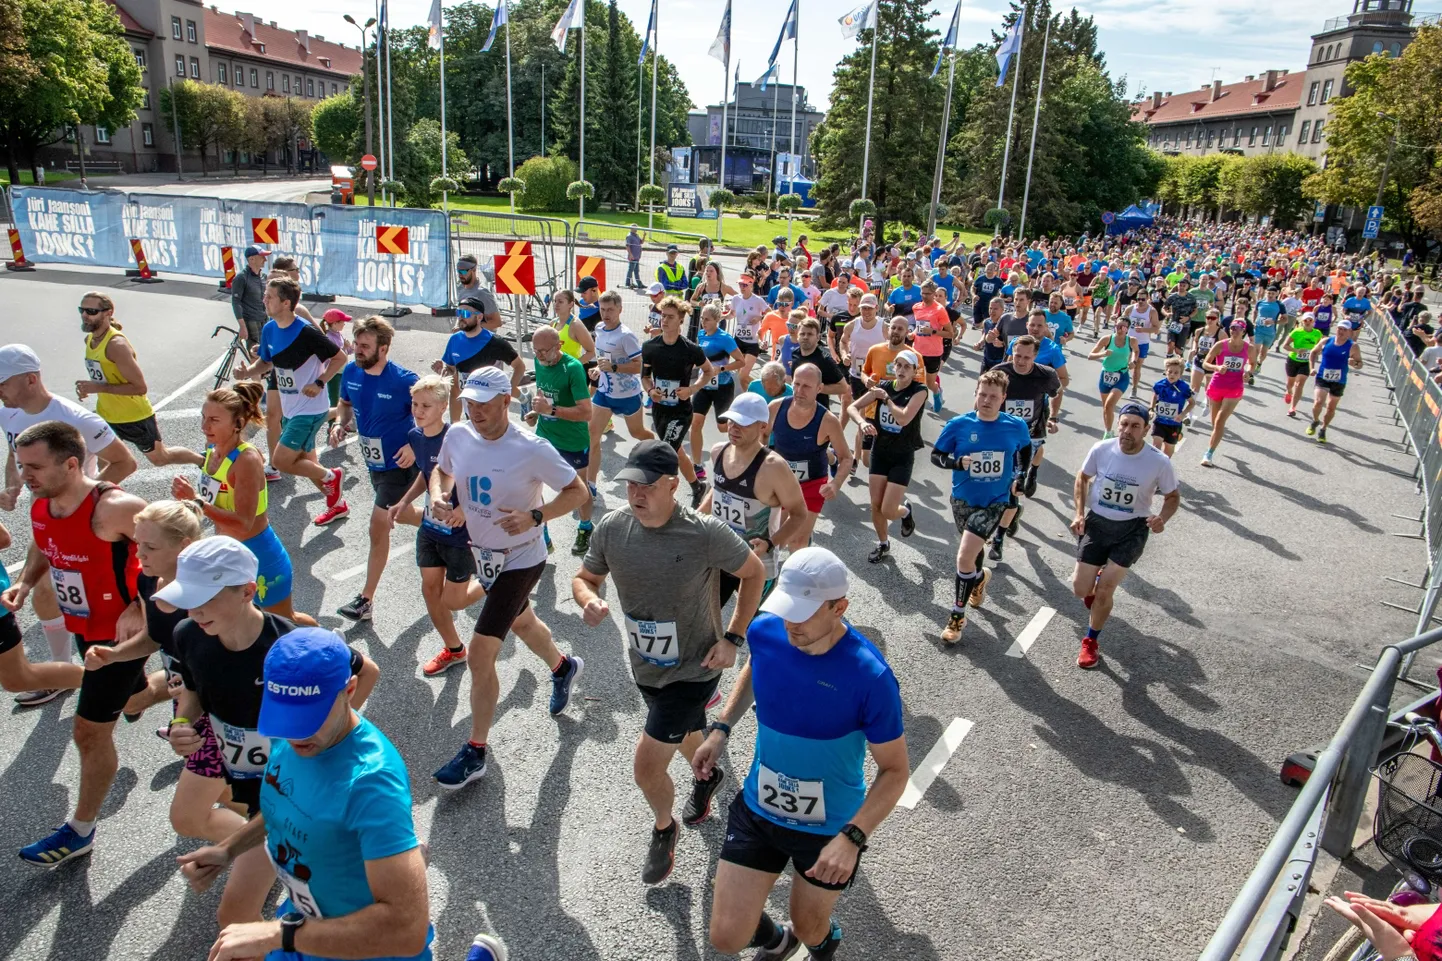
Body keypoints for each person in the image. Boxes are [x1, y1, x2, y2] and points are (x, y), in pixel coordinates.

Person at [694, 547, 908, 961]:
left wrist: (853, 837)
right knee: (725, 936)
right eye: (787, 608)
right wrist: (721, 729)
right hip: (760, 807)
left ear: (839, 607)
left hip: (828, 826)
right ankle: (777, 940)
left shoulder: (870, 677)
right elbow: (756, 669)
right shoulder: (767, 631)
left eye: (805, 612)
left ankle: (821, 944)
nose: (791, 622)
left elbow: (895, 771)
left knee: (810, 925)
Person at [571, 440, 765, 884]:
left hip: (695, 667)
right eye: (629, 485)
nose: (635, 494)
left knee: (646, 764)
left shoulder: (704, 532)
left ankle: (664, 827)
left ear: (673, 485)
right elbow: (585, 578)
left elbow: (755, 572)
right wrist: (588, 600)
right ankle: (708, 773)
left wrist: (734, 637)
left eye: (646, 486)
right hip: (646, 666)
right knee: (684, 732)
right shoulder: (612, 529)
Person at [176, 628, 433, 961]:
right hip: (305, 923)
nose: (298, 734)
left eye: (310, 716)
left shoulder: (371, 782)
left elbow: (405, 929)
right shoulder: (290, 734)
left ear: (349, 690)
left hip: (365, 946)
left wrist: (274, 933)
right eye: (288, 716)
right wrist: (229, 849)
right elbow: (286, 804)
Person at [162, 537, 380, 927]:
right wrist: (182, 721)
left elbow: (367, 671)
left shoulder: (293, 645)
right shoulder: (188, 633)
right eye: (188, 599)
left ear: (248, 591)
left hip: (286, 782)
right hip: (232, 763)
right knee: (185, 817)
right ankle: (276, 851)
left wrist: (325, 735)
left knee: (233, 918)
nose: (194, 610)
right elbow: (193, 688)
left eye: (205, 599)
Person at [427, 368, 591, 790]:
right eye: (470, 402)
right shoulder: (459, 435)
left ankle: (476, 752)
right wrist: (439, 494)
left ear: (506, 401)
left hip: (521, 556)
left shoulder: (531, 448)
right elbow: (441, 470)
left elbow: (578, 493)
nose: (475, 410)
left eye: (484, 402)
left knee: (481, 654)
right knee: (522, 622)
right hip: (483, 553)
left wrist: (537, 515)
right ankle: (562, 666)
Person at [5, 420, 147, 866]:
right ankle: (180, 688)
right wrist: (25, 586)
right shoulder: (43, 505)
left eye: (35, 467)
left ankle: (80, 830)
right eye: (21, 466)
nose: (25, 476)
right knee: (135, 697)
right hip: (84, 628)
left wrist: (140, 607)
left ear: (71, 463)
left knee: (88, 732)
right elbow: (43, 547)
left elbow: (179, 551)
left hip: (121, 638)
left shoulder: (117, 508)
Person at [0, 344, 137, 705]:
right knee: (45, 591)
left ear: (30, 379)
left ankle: (127, 684)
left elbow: (125, 462)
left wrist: (88, 502)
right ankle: (65, 669)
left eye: (3, 383)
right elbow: (14, 454)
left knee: (81, 598)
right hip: (44, 515)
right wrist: (13, 483)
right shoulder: (8, 413)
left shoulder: (77, 419)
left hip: (83, 524)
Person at [170, 382, 313, 625]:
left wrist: (197, 502)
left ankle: (332, 647)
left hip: (259, 556)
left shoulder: (246, 459)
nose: (205, 426)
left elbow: (244, 523)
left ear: (237, 423)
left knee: (284, 622)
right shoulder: (213, 450)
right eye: (204, 417)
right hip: (227, 556)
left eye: (214, 420)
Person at [1070, 403, 1180, 669]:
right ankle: (1094, 581)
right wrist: (1079, 513)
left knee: (1106, 590)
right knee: (1079, 589)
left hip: (1132, 529)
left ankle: (1090, 642)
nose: (1127, 430)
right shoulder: (1101, 449)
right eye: (1124, 424)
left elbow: (1172, 496)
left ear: (1145, 430)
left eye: (1135, 426)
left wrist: (1161, 519)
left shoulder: (1158, 461)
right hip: (1098, 523)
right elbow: (1082, 478)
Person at [931, 369, 1035, 641]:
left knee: (964, 556)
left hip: (995, 502)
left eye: (993, 396)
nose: (987, 400)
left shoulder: (1015, 426)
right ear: (976, 395)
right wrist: (956, 463)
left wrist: (1020, 477)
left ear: (1003, 398)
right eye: (982, 395)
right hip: (962, 499)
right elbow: (936, 455)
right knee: (972, 557)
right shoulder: (958, 425)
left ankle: (956, 618)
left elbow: (1025, 451)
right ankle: (978, 579)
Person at [234, 277, 347, 524]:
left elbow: (340, 359)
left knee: (281, 460)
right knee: (306, 462)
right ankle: (338, 504)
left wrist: (319, 383)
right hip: (291, 408)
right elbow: (265, 362)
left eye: (270, 296)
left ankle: (333, 475)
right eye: (265, 295)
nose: (264, 300)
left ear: (286, 303)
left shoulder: (305, 331)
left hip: (310, 408)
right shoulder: (269, 329)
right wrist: (247, 373)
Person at [329, 317, 421, 617]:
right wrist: (341, 424)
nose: (358, 351)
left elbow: (431, 417)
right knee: (402, 515)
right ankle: (449, 526)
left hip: (400, 463)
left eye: (365, 346)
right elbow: (344, 403)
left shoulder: (404, 380)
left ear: (384, 348)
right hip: (374, 464)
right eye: (356, 344)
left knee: (377, 525)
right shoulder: (352, 372)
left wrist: (413, 445)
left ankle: (366, 599)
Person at [702, 392, 810, 603]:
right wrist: (696, 518)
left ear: (762, 426)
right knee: (706, 622)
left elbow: (799, 514)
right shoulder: (718, 452)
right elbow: (718, 490)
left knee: (752, 629)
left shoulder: (774, 467)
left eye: (742, 423)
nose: (733, 427)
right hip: (720, 554)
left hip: (758, 562)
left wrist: (770, 543)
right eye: (731, 420)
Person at [76, 291, 196, 466]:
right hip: (106, 414)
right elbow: (101, 375)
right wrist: (87, 388)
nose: (85, 315)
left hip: (133, 416)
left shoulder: (116, 346)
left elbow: (140, 387)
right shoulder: (89, 340)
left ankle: (201, 460)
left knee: (160, 458)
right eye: (82, 310)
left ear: (108, 313)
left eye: (91, 311)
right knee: (106, 463)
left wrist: (98, 387)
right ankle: (104, 493)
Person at [848, 350, 928, 564]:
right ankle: (883, 543)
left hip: (902, 455)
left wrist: (888, 401)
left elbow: (903, 419)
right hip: (880, 451)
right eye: (898, 365)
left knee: (888, 509)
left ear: (914, 371)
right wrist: (862, 422)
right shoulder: (883, 386)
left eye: (906, 367)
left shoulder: (919, 390)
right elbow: (852, 407)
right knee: (875, 505)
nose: (901, 370)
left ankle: (905, 512)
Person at [986, 339, 1061, 562]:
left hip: (1029, 437)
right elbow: (982, 397)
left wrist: (1053, 417)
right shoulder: (1000, 372)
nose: (1020, 361)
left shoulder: (1046, 375)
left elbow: (1057, 393)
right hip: (1000, 436)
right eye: (1017, 355)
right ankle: (1013, 509)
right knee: (995, 483)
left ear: (1035, 356)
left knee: (1015, 486)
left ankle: (998, 537)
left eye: (1026, 357)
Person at [525, 326, 596, 554]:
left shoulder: (573, 368)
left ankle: (585, 527)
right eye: (536, 351)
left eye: (544, 351)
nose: (539, 355)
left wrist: (551, 410)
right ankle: (541, 529)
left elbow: (586, 412)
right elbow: (542, 393)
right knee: (532, 483)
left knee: (580, 490)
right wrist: (537, 412)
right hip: (545, 435)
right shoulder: (539, 362)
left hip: (572, 440)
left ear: (559, 346)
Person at [642, 296, 716, 510]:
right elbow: (645, 376)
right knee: (676, 450)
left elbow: (709, 371)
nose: (664, 320)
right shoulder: (650, 347)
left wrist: (692, 389)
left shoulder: (690, 349)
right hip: (660, 410)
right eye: (663, 316)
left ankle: (663, 500)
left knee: (666, 451)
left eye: (670, 317)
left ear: (681, 320)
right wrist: (650, 390)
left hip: (682, 411)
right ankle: (697, 487)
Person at [767, 365, 854, 546]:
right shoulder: (775, 408)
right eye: (797, 384)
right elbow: (760, 440)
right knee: (773, 537)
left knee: (796, 542)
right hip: (781, 481)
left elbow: (846, 457)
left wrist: (836, 484)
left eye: (806, 386)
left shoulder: (828, 420)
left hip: (812, 483)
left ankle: (801, 550)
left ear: (819, 389)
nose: (799, 390)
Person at [587, 290, 656, 486]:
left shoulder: (625, 336)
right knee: (592, 435)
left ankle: (655, 449)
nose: (606, 314)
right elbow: (604, 361)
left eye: (610, 309)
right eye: (602, 309)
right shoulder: (599, 328)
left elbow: (640, 366)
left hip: (627, 395)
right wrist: (598, 370)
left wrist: (615, 368)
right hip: (604, 393)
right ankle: (590, 484)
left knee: (638, 433)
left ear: (620, 309)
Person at [434, 295, 524, 423]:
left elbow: (520, 366)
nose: (460, 317)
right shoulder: (455, 340)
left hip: (492, 410)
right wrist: (443, 370)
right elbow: (453, 377)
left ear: (479, 317)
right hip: (470, 407)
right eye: (458, 312)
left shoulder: (495, 342)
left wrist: (507, 391)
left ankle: (524, 399)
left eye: (465, 313)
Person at [689, 303, 745, 481]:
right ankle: (697, 465)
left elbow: (741, 361)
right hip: (704, 385)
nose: (703, 322)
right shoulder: (701, 335)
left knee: (723, 428)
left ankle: (744, 449)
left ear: (716, 320)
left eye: (707, 319)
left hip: (723, 385)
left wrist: (721, 369)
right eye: (702, 319)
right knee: (696, 422)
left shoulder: (725, 338)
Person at [1199, 319, 1256, 467]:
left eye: (1237, 328)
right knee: (1215, 424)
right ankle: (1215, 439)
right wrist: (1216, 368)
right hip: (1217, 385)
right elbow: (1205, 363)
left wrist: (1248, 372)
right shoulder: (1220, 345)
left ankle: (1208, 454)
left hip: (1235, 387)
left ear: (1243, 331)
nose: (1234, 331)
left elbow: (1253, 363)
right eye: (1232, 328)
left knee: (1219, 421)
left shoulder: (1249, 348)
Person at [1307, 319, 1365, 443]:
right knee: (1318, 402)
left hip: (1339, 380)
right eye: (1340, 328)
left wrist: (1354, 363)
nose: (1341, 331)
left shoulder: (1353, 346)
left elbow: (1360, 364)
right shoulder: (1326, 341)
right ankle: (1315, 420)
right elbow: (1313, 353)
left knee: (1331, 407)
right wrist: (1312, 368)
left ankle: (1323, 428)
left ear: (1349, 332)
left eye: (1345, 330)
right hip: (1323, 376)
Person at [1088, 315, 1137, 438]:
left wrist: (1133, 361)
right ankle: (1108, 430)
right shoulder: (1107, 339)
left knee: (1109, 404)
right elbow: (1090, 355)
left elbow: (1136, 351)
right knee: (1106, 408)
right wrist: (1103, 353)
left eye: (1123, 327)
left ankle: (1108, 434)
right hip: (1106, 374)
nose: (1119, 329)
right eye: (1117, 326)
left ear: (1127, 329)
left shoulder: (1131, 341)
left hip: (1122, 375)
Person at [729, 273, 770, 387]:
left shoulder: (758, 300)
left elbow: (770, 313)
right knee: (741, 375)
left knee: (743, 375)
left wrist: (760, 317)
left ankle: (763, 388)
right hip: (738, 340)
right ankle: (748, 396)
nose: (742, 287)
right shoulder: (736, 299)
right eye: (740, 285)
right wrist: (721, 316)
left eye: (745, 285)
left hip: (752, 343)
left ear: (751, 285)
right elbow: (731, 314)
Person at [1148, 356, 1195, 457]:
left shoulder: (1184, 388)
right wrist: (1151, 409)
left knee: (1168, 452)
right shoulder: (1159, 385)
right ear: (1166, 371)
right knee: (1156, 446)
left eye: (1176, 373)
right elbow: (1154, 396)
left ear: (1181, 374)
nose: (1172, 374)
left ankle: (1162, 469)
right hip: (1160, 422)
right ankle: (1153, 467)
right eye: (1170, 372)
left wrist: (1183, 414)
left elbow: (1192, 403)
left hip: (1175, 423)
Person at [1282, 311, 1324, 417]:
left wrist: (1317, 352)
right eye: (1306, 320)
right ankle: (1288, 391)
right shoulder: (1296, 332)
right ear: (1302, 321)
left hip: (1307, 362)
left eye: (1310, 320)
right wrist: (1296, 350)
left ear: (1314, 322)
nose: (1308, 322)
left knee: (1299, 384)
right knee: (1290, 384)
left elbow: (1320, 347)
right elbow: (1285, 346)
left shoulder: (1317, 333)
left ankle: (1292, 407)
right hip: (1293, 360)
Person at [231, 245, 270, 348]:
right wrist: (242, 326)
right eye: (262, 257)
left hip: (264, 319)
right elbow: (236, 302)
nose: (265, 260)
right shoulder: (241, 278)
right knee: (256, 354)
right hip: (251, 321)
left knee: (267, 351)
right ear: (251, 259)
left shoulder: (264, 277)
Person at [548, 289, 598, 365]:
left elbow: (592, 351)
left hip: (571, 374)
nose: (556, 304)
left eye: (560, 302)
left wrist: (572, 367)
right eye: (555, 301)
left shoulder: (575, 325)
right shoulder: (553, 323)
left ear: (570, 304)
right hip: (556, 370)